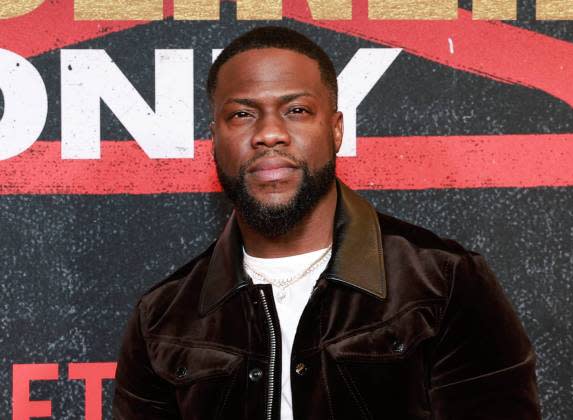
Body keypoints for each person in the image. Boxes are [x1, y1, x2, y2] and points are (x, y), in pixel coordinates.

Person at [113, 26, 541, 419]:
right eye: (242, 114)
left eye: (297, 110)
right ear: (214, 140)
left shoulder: (442, 283)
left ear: (336, 130)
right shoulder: (163, 319)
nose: (269, 133)